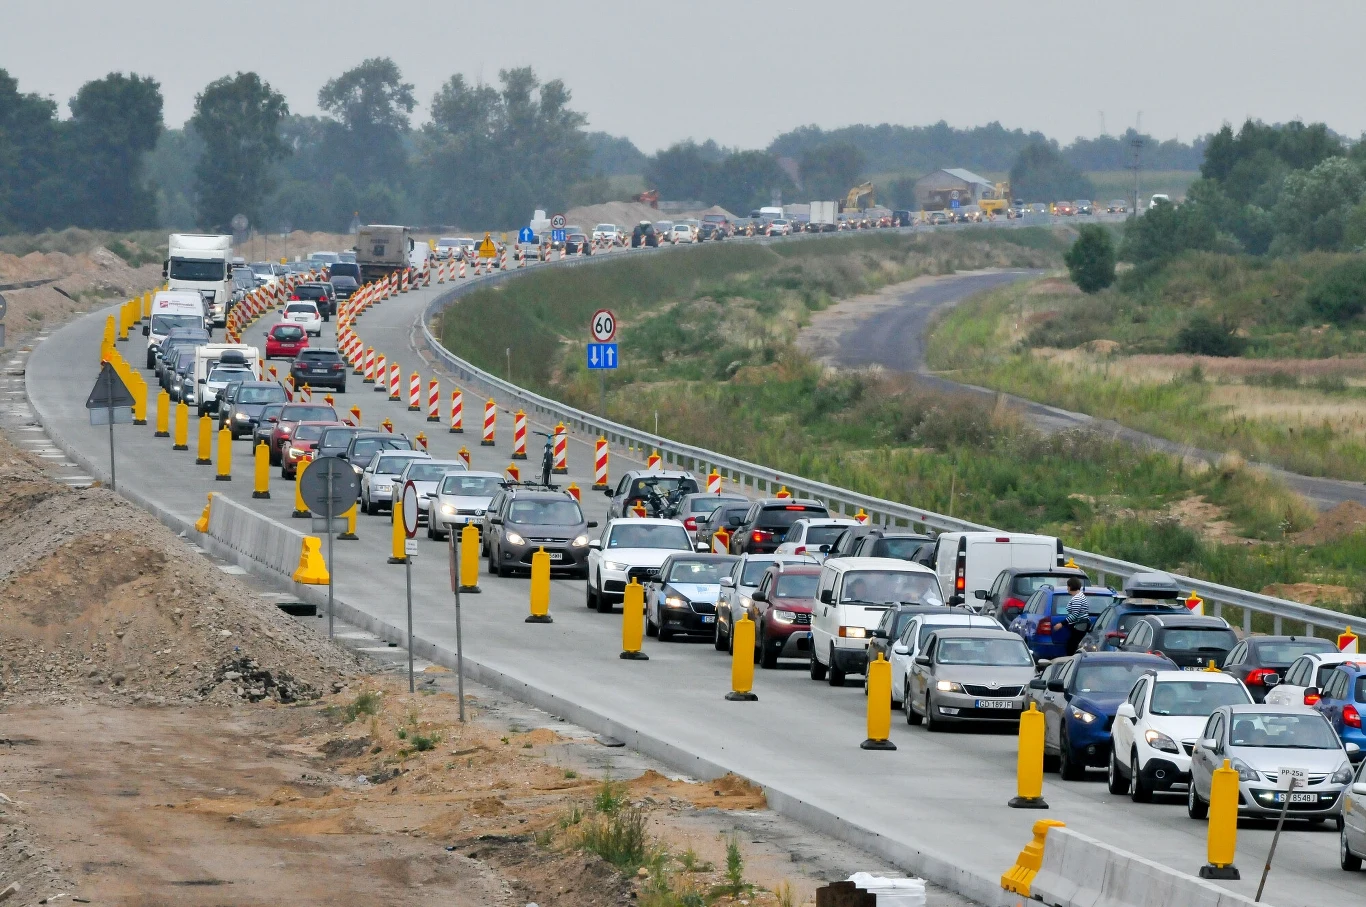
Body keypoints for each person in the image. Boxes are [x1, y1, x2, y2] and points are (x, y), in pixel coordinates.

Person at [1064, 577, 1090, 655]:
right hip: (1080, 625)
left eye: (1068, 586)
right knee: (1074, 645)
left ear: (1071, 586)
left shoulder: (1077, 598)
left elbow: (1075, 615)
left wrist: (1062, 623)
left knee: (1072, 647)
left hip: (1079, 626)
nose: (1067, 588)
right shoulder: (1080, 596)